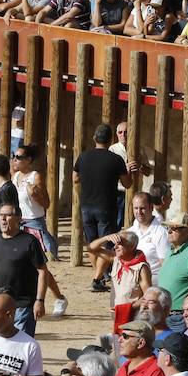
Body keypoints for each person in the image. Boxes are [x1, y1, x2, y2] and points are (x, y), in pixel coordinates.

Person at [0, 204, 52, 336]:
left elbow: (43, 271)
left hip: (23, 305)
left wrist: (39, 301)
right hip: (0, 306)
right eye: (1, 215)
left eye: (8, 215)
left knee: (20, 345)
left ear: (19, 218)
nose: (3, 219)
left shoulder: (29, 241)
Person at [74, 123, 131, 291]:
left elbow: (75, 178)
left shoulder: (83, 157)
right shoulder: (116, 159)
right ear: (111, 139)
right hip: (106, 207)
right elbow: (127, 184)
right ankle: (98, 278)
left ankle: (99, 277)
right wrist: (128, 171)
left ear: (94, 138)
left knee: (93, 244)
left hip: (86, 205)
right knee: (107, 244)